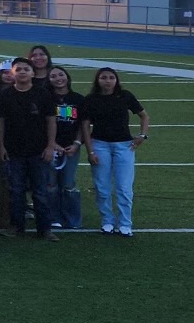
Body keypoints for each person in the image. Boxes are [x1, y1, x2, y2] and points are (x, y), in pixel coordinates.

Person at [79, 67, 150, 237]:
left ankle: (125, 223)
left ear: (116, 80)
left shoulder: (125, 96)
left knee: (124, 187)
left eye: (111, 77)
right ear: (98, 80)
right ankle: (107, 221)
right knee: (102, 187)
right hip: (100, 145)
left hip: (124, 146)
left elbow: (144, 115)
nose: (108, 81)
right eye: (104, 77)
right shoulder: (91, 99)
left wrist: (143, 135)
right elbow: (85, 126)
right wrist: (90, 151)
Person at [0, 59, 57, 239]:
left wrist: (50, 145)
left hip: (39, 150)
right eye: (18, 69)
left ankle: (45, 229)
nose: (22, 72)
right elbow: (0, 121)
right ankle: (16, 227)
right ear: (12, 74)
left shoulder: (42, 94)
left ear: (32, 73)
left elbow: (51, 120)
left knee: (40, 191)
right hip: (13, 151)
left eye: (26, 69)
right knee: (16, 191)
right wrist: (2, 145)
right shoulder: (5, 94)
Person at [45, 66, 86, 230]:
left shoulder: (78, 99)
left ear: (67, 77)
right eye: (53, 76)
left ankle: (73, 218)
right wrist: (52, 144)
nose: (58, 78)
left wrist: (76, 144)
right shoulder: (46, 98)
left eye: (61, 74)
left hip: (71, 147)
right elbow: (43, 124)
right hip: (51, 147)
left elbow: (83, 126)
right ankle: (54, 217)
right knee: (51, 183)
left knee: (68, 183)